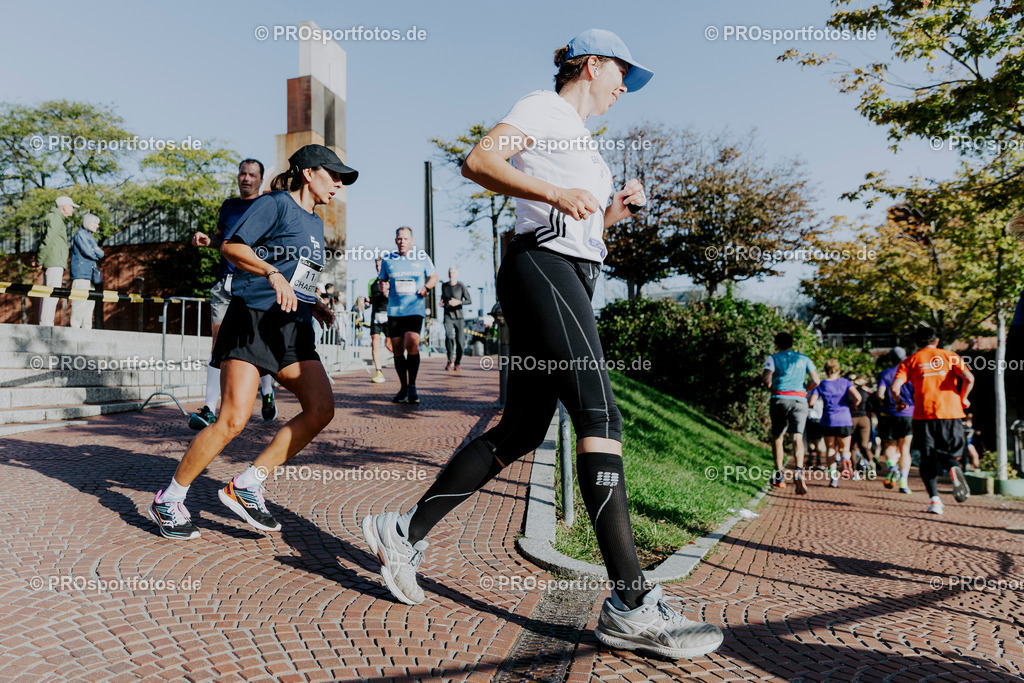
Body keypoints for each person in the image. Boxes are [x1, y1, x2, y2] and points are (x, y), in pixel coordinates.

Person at [360, 29, 722, 660]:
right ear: (593, 65)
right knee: (599, 417)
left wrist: (612, 213)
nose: (623, 90)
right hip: (543, 268)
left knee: (524, 428)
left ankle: (403, 531)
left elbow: (579, 222)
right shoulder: (543, 108)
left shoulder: (582, 139)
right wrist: (555, 193)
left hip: (564, 271)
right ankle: (632, 604)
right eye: (622, 75)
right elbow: (478, 161)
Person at [147, 144, 357, 540]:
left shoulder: (316, 223)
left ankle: (247, 483)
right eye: (333, 175)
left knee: (321, 409)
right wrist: (272, 273)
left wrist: (313, 303)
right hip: (253, 321)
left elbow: (299, 274)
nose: (338, 184)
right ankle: (169, 499)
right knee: (232, 420)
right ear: (309, 173)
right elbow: (231, 246)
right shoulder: (275, 204)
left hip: (293, 328)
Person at [188, 159, 278, 430]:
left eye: (252, 175)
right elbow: (222, 239)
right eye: (242, 173)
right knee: (218, 344)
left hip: (253, 286)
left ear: (260, 179)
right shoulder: (228, 206)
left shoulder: (267, 205)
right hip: (224, 285)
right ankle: (208, 409)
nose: (246, 178)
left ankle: (267, 392)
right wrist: (209, 241)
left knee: (256, 343)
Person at [890, 327, 975, 514]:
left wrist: (899, 402)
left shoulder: (910, 361)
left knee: (927, 457)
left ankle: (935, 500)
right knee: (950, 452)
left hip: (923, 415)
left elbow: (895, 387)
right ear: (936, 341)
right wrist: (963, 398)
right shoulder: (950, 356)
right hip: (951, 413)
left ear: (916, 343)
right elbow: (968, 378)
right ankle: (953, 467)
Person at [379, 227, 437, 404]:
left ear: (411, 241)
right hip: (395, 310)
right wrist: (383, 286)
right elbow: (382, 279)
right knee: (397, 348)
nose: (402, 242)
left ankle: (412, 386)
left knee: (412, 343)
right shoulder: (388, 259)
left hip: (414, 309)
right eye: (399, 239)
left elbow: (434, 276)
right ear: (395, 241)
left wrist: (426, 287)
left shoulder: (421, 257)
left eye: (405, 239)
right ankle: (403, 387)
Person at [763, 331, 821, 494]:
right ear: (791, 343)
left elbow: (766, 379)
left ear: (776, 344)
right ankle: (799, 471)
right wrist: (805, 390)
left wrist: (772, 389)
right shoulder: (804, 359)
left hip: (779, 398)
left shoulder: (773, 358)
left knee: (778, 436)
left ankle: (779, 475)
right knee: (797, 436)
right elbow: (816, 381)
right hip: (799, 400)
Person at [809, 360, 860, 488]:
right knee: (844, 449)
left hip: (828, 420)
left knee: (831, 449)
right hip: (844, 419)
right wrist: (854, 405)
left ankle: (833, 479)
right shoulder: (846, 382)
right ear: (838, 370)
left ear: (826, 370)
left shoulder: (822, 384)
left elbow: (811, 401)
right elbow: (858, 397)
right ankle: (845, 459)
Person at [877, 346, 915, 494]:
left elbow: (880, 394)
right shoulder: (910, 373)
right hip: (908, 414)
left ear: (890, 359)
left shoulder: (884, 374)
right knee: (905, 449)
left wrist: (883, 402)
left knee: (889, 446)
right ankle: (903, 482)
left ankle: (892, 467)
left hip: (889, 414)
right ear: (905, 358)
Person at [37, 195, 77, 326]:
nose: (73, 210)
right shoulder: (55, 218)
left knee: (49, 292)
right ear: (64, 207)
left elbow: (45, 240)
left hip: (54, 260)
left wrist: (40, 259)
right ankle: (46, 324)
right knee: (51, 292)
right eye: (72, 207)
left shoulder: (54, 218)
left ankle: (45, 323)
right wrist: (39, 260)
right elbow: (48, 240)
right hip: (54, 261)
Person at [69, 213, 104, 329]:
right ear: (88, 223)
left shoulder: (89, 237)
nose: (97, 226)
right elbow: (89, 252)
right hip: (81, 274)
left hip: (90, 275)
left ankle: (87, 328)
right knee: (79, 301)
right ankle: (75, 327)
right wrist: (94, 250)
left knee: (90, 303)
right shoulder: (80, 235)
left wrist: (94, 250)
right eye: (95, 223)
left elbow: (101, 253)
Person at [441, 267, 472, 371]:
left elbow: (469, 300)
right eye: (450, 272)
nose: (451, 274)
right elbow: (443, 298)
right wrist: (442, 302)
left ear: (457, 274)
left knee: (460, 342)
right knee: (449, 336)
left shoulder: (461, 286)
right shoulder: (444, 285)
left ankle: (457, 362)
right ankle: (449, 359)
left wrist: (458, 302)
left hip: (459, 317)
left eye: (453, 272)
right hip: (448, 316)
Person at [847, 373, 874, 477]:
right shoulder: (866, 393)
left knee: (852, 447)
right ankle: (871, 465)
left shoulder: (850, 393)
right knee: (864, 445)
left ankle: (854, 471)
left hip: (852, 419)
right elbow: (871, 407)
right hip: (864, 419)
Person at [368, 258, 390, 383]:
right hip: (376, 316)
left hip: (389, 315)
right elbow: (371, 298)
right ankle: (378, 371)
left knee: (389, 345)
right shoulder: (371, 282)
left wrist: (386, 291)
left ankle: (404, 359)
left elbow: (394, 298)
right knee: (375, 341)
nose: (378, 268)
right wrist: (367, 301)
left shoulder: (390, 281)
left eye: (380, 265)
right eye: (376, 265)